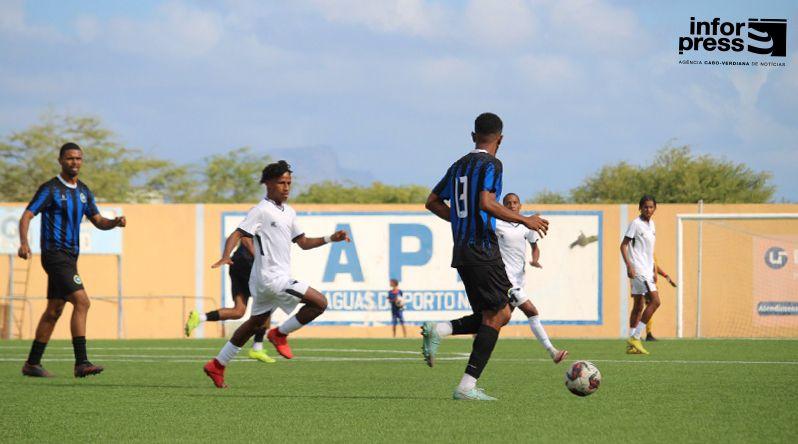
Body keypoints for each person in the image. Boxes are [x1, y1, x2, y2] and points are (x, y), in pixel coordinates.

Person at [422, 113, 549, 401]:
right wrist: (523, 219)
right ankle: (465, 387)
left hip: (462, 250)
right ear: (500, 139)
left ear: (473, 136)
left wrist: (460, 220)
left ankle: (439, 329)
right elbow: (486, 202)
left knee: (490, 314)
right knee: (500, 314)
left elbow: (432, 202)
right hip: (482, 248)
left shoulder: (458, 165)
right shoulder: (492, 164)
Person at [203, 160, 350, 388]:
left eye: (289, 182)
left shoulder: (289, 212)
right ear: (268, 184)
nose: (286, 187)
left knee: (254, 323)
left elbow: (303, 242)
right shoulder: (261, 210)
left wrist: (331, 238)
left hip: (267, 280)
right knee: (319, 303)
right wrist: (226, 254)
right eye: (281, 182)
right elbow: (238, 233)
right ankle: (279, 334)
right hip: (271, 278)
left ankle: (218, 364)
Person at [18, 142, 126, 378]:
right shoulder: (50, 189)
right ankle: (81, 362)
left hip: (70, 257)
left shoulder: (84, 191)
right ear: (60, 160)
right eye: (69, 158)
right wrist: (24, 242)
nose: (74, 162)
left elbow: (98, 221)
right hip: (55, 255)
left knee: (54, 310)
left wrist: (115, 222)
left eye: (78, 158)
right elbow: (27, 215)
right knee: (82, 302)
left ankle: (32, 364)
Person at [494, 193, 567, 363]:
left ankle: (479, 334)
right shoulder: (497, 224)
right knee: (531, 311)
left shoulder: (525, 225)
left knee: (502, 318)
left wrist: (535, 259)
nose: (512, 205)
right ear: (503, 206)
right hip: (505, 279)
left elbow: (535, 247)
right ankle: (552, 351)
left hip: (519, 280)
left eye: (515, 202)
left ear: (520, 205)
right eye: (508, 203)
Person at [185, 236, 275, 363]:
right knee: (267, 302)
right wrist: (259, 258)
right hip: (247, 263)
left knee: (239, 311)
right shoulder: (264, 218)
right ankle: (257, 347)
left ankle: (200, 317)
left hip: (239, 264)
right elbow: (245, 237)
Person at [621, 195, 663, 355]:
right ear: (640, 208)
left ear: (655, 208)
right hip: (638, 269)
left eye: (651, 207)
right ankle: (636, 337)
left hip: (647, 269)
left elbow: (649, 252)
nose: (648, 209)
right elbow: (623, 246)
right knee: (655, 301)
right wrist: (629, 265)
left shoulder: (652, 225)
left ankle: (632, 345)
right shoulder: (635, 224)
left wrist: (653, 269)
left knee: (639, 306)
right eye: (645, 207)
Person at [642, 256, 677, 342]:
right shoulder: (644, 251)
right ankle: (638, 333)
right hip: (646, 283)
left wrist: (666, 276)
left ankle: (647, 333)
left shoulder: (651, 252)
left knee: (649, 307)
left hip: (651, 284)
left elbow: (655, 266)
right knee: (646, 306)